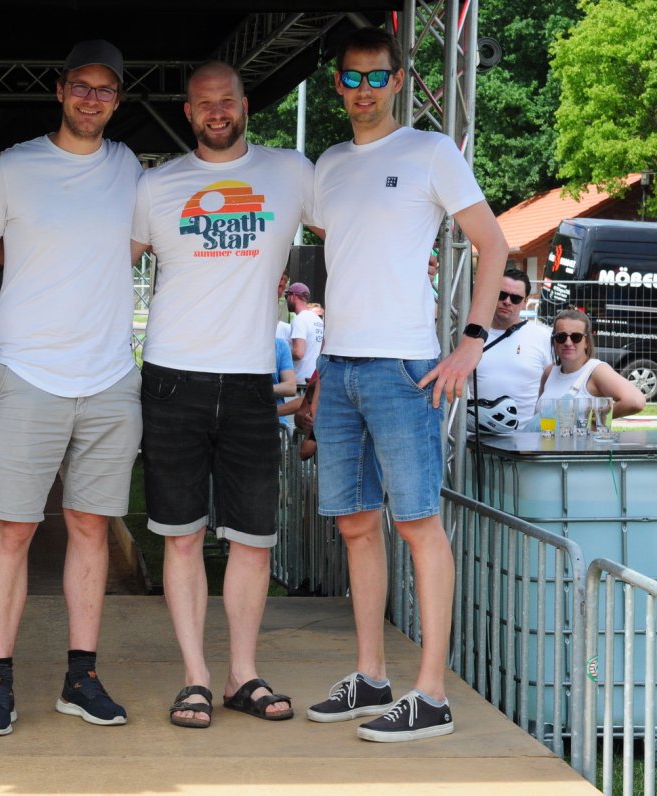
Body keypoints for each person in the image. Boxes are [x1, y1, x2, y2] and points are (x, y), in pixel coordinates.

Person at [305, 27, 508, 742]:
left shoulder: (430, 150)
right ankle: (371, 676)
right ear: (338, 83)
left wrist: (471, 341)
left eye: (376, 77)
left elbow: (493, 244)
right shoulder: (328, 164)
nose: (363, 89)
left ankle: (433, 694)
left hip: (404, 367)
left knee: (418, 523)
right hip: (339, 365)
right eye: (351, 77)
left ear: (397, 80)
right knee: (355, 523)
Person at [0, 39, 142, 736]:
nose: (92, 98)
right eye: (82, 86)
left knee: (91, 527)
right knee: (12, 529)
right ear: (60, 90)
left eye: (105, 89)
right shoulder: (13, 168)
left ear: (117, 100)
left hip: (110, 377)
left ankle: (81, 678)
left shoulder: (130, 168)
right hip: (29, 373)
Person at [130, 61, 315, 728]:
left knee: (253, 539)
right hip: (171, 377)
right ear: (187, 111)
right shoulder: (156, 185)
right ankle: (195, 678)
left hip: (248, 381)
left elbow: (354, 229)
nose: (216, 111)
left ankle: (243, 674)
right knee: (181, 537)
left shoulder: (291, 172)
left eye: (227, 100)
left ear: (244, 104)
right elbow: (102, 267)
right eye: (204, 102)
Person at [471, 268, 552, 430]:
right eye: (502, 295)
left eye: (515, 298)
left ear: (525, 301)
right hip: (476, 435)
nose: (507, 301)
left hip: (525, 436)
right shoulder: (471, 335)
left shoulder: (542, 337)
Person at [535, 309, 645, 418]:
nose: (568, 343)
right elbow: (538, 414)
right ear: (554, 340)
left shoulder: (596, 371)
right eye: (561, 337)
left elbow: (635, 401)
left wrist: (595, 419)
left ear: (586, 342)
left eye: (576, 337)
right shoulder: (549, 372)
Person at [286, 282, 324, 384]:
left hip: (300, 382)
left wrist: (282, 353)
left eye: (287, 296)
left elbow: (298, 353)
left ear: (293, 296)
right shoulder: (318, 320)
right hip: (314, 381)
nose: (286, 300)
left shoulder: (299, 320)